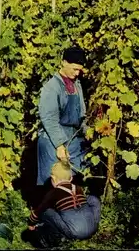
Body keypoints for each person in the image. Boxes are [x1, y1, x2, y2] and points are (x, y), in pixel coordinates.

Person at [37, 47, 89, 188]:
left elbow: (81, 114)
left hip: (73, 140)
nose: (77, 73)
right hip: (53, 140)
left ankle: (69, 209)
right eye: (74, 69)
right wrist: (59, 146)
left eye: (79, 70)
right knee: (53, 182)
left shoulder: (77, 85)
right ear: (64, 62)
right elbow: (49, 118)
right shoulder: (52, 87)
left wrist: (87, 132)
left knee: (73, 181)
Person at [23, 161, 101, 248]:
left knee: (46, 211)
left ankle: (54, 239)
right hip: (92, 227)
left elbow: (39, 210)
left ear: (53, 179)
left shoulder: (53, 193)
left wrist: (31, 223)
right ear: (71, 178)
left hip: (74, 232)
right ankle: (93, 223)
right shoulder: (79, 188)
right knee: (92, 199)